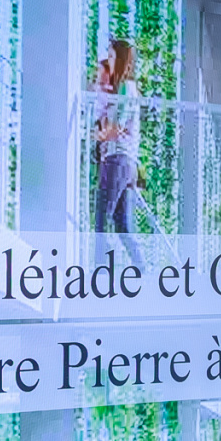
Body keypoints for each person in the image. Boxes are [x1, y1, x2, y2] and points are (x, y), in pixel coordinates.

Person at [89, 38, 143, 269]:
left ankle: (101, 272)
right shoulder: (119, 89)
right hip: (125, 163)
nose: (108, 61)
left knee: (102, 220)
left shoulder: (126, 88)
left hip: (117, 159)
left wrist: (99, 136)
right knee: (123, 226)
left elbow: (116, 125)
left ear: (120, 59)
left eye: (111, 56)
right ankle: (141, 270)